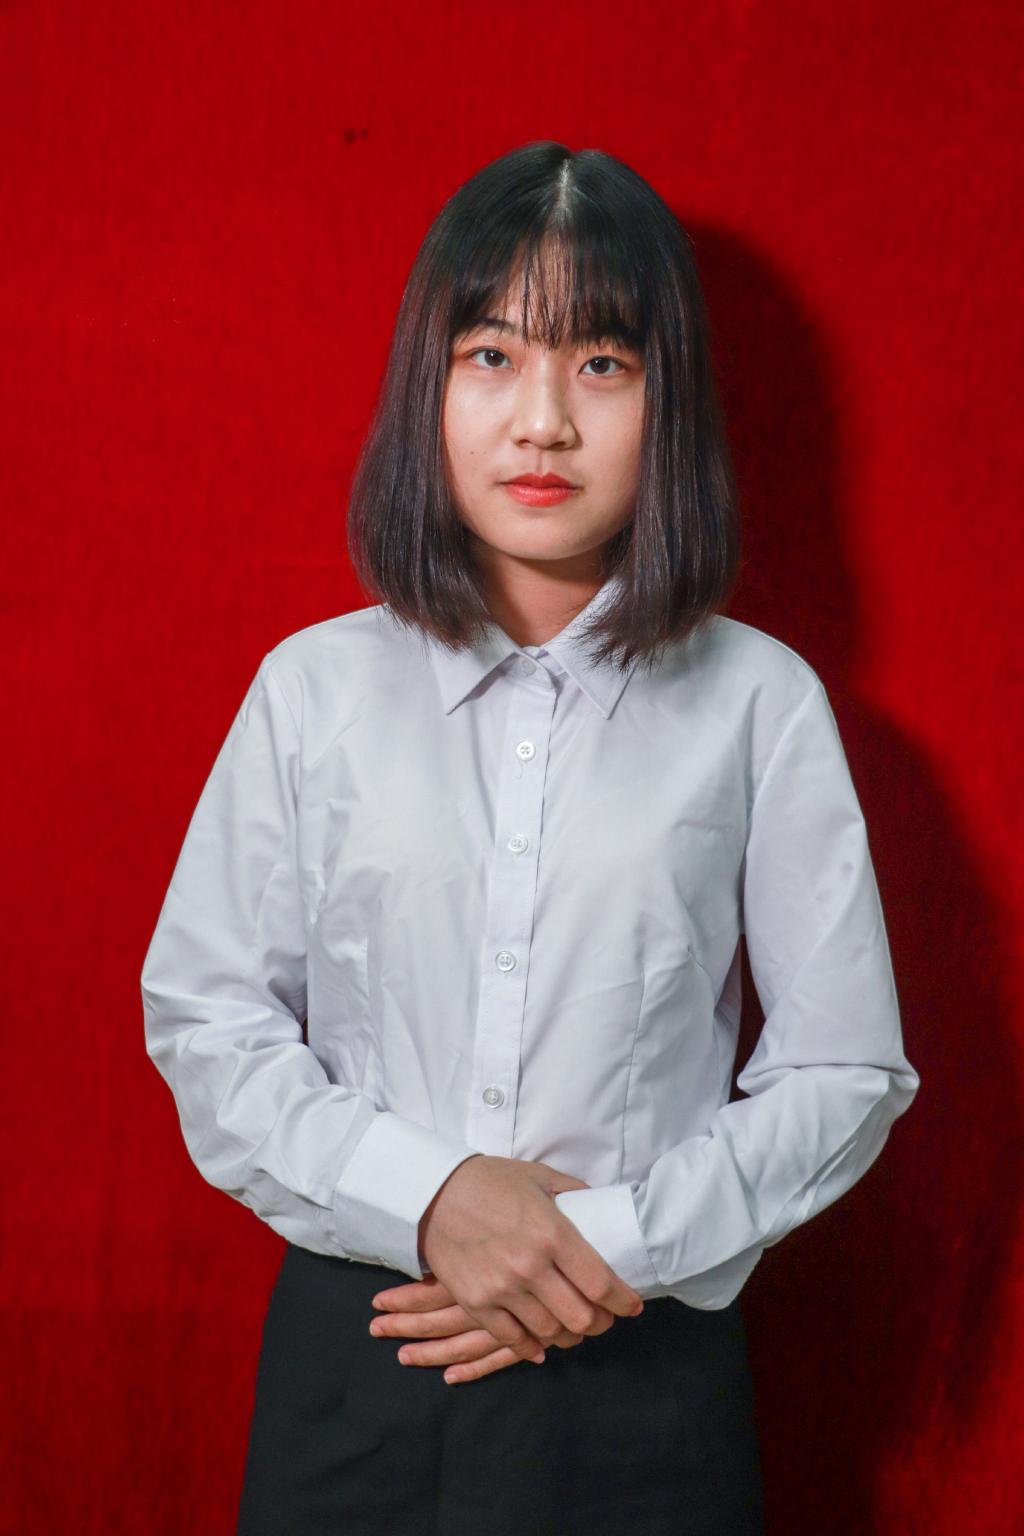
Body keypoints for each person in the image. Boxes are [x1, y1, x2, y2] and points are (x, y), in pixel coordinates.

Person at [140, 141, 920, 1535]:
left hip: (643, 1371)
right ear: (427, 388)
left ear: (669, 403)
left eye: (601, 364)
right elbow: (208, 1018)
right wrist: (434, 1197)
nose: (542, 422)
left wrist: (595, 1245)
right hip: (367, 1356)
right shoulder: (312, 691)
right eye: (493, 356)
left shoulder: (759, 703)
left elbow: (845, 1067)